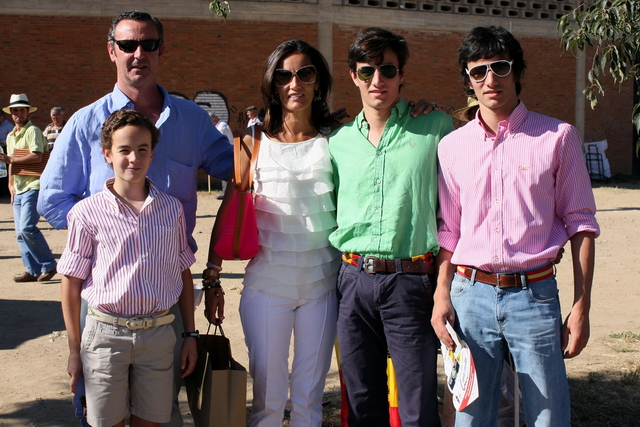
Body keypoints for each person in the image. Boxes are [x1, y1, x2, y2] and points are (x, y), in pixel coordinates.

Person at [37, 10, 232, 426]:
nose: (138, 53)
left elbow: (238, 170)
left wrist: (286, 131)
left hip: (167, 307)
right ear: (112, 51)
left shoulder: (193, 121)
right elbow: (52, 200)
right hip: (103, 310)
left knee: (156, 414)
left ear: (162, 51)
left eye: (148, 44)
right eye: (128, 45)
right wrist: (109, 231)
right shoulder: (84, 123)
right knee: (102, 417)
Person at [432, 25, 599, 427]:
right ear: (468, 80)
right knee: (472, 416)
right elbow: (450, 231)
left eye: (500, 67)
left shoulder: (558, 137)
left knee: (548, 416)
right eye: (478, 71)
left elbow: (582, 225)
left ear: (517, 71)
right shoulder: (452, 146)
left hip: (534, 296)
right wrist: (441, 294)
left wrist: (582, 306)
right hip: (469, 297)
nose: (490, 79)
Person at [206, 40, 341, 427]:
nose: (294, 83)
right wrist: (212, 278)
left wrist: (417, 111)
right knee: (268, 398)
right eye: (284, 74)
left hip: (322, 286)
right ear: (272, 84)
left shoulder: (338, 140)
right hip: (267, 287)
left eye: (305, 73)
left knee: (309, 399)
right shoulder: (252, 144)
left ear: (318, 82)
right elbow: (227, 209)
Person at [329, 28, 454, 427]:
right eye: (367, 71)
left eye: (387, 70)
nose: (377, 80)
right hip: (352, 280)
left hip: (411, 282)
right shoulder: (337, 141)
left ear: (402, 74)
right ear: (353, 75)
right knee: (363, 401)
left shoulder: (435, 127)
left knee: (417, 405)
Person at [59, 109, 198, 427]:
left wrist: (189, 334)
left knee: (150, 421)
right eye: (124, 150)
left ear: (152, 153)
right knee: (107, 423)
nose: (133, 158)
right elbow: (70, 282)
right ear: (108, 154)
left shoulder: (170, 209)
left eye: (142, 149)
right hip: (105, 335)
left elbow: (183, 272)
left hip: (159, 336)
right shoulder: (87, 213)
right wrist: (73, 349)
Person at [0, 93, 57, 282]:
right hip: (18, 187)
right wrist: (10, 185)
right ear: (11, 113)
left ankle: (48, 264)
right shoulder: (10, 136)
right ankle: (32, 270)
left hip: (34, 184)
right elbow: (11, 164)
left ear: (27, 112)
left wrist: (11, 159)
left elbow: (37, 156)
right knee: (19, 233)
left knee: (26, 228)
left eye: (21, 110)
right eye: (15, 111)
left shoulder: (32, 131)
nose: (18, 114)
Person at [209, 112, 234, 199]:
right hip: (224, 150)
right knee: (224, 172)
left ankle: (226, 193)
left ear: (214, 119)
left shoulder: (222, 126)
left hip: (228, 151)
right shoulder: (218, 125)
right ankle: (225, 192)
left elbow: (217, 139)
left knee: (226, 172)